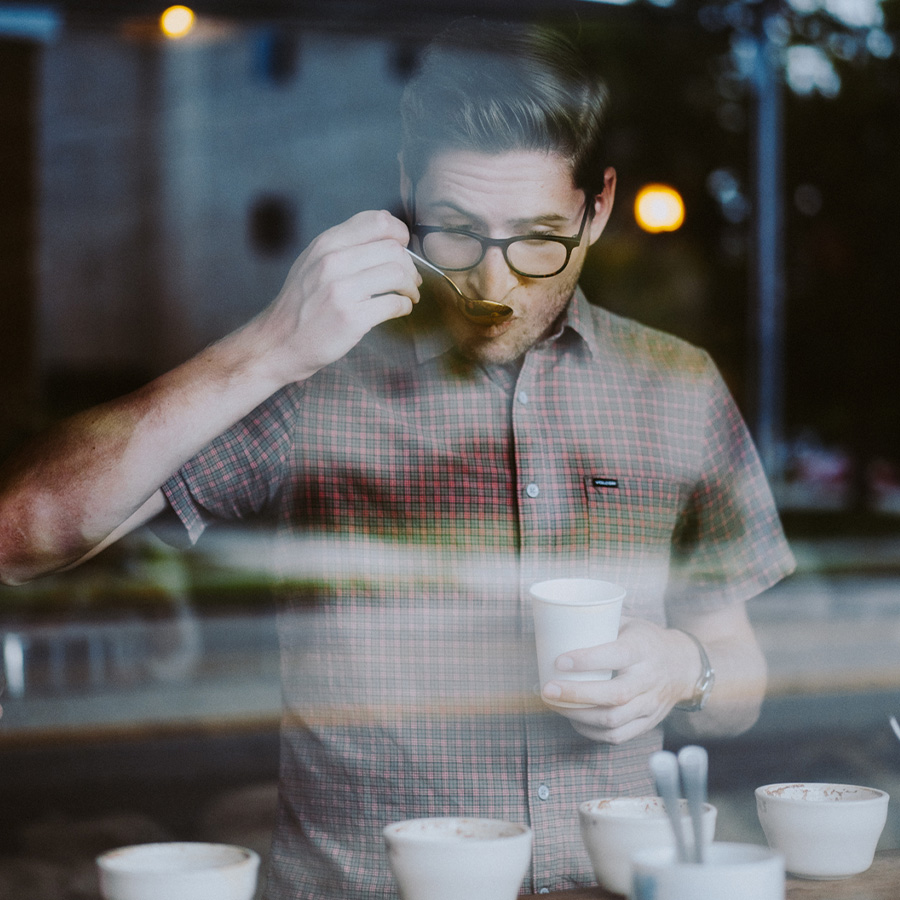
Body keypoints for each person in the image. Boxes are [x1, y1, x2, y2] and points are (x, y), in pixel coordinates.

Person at [0, 18, 795, 899]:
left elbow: (744, 678)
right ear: (411, 191)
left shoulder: (677, 387)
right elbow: (23, 533)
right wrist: (272, 343)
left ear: (598, 206)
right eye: (455, 230)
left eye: (538, 238)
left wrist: (688, 666)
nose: (494, 289)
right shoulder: (320, 372)